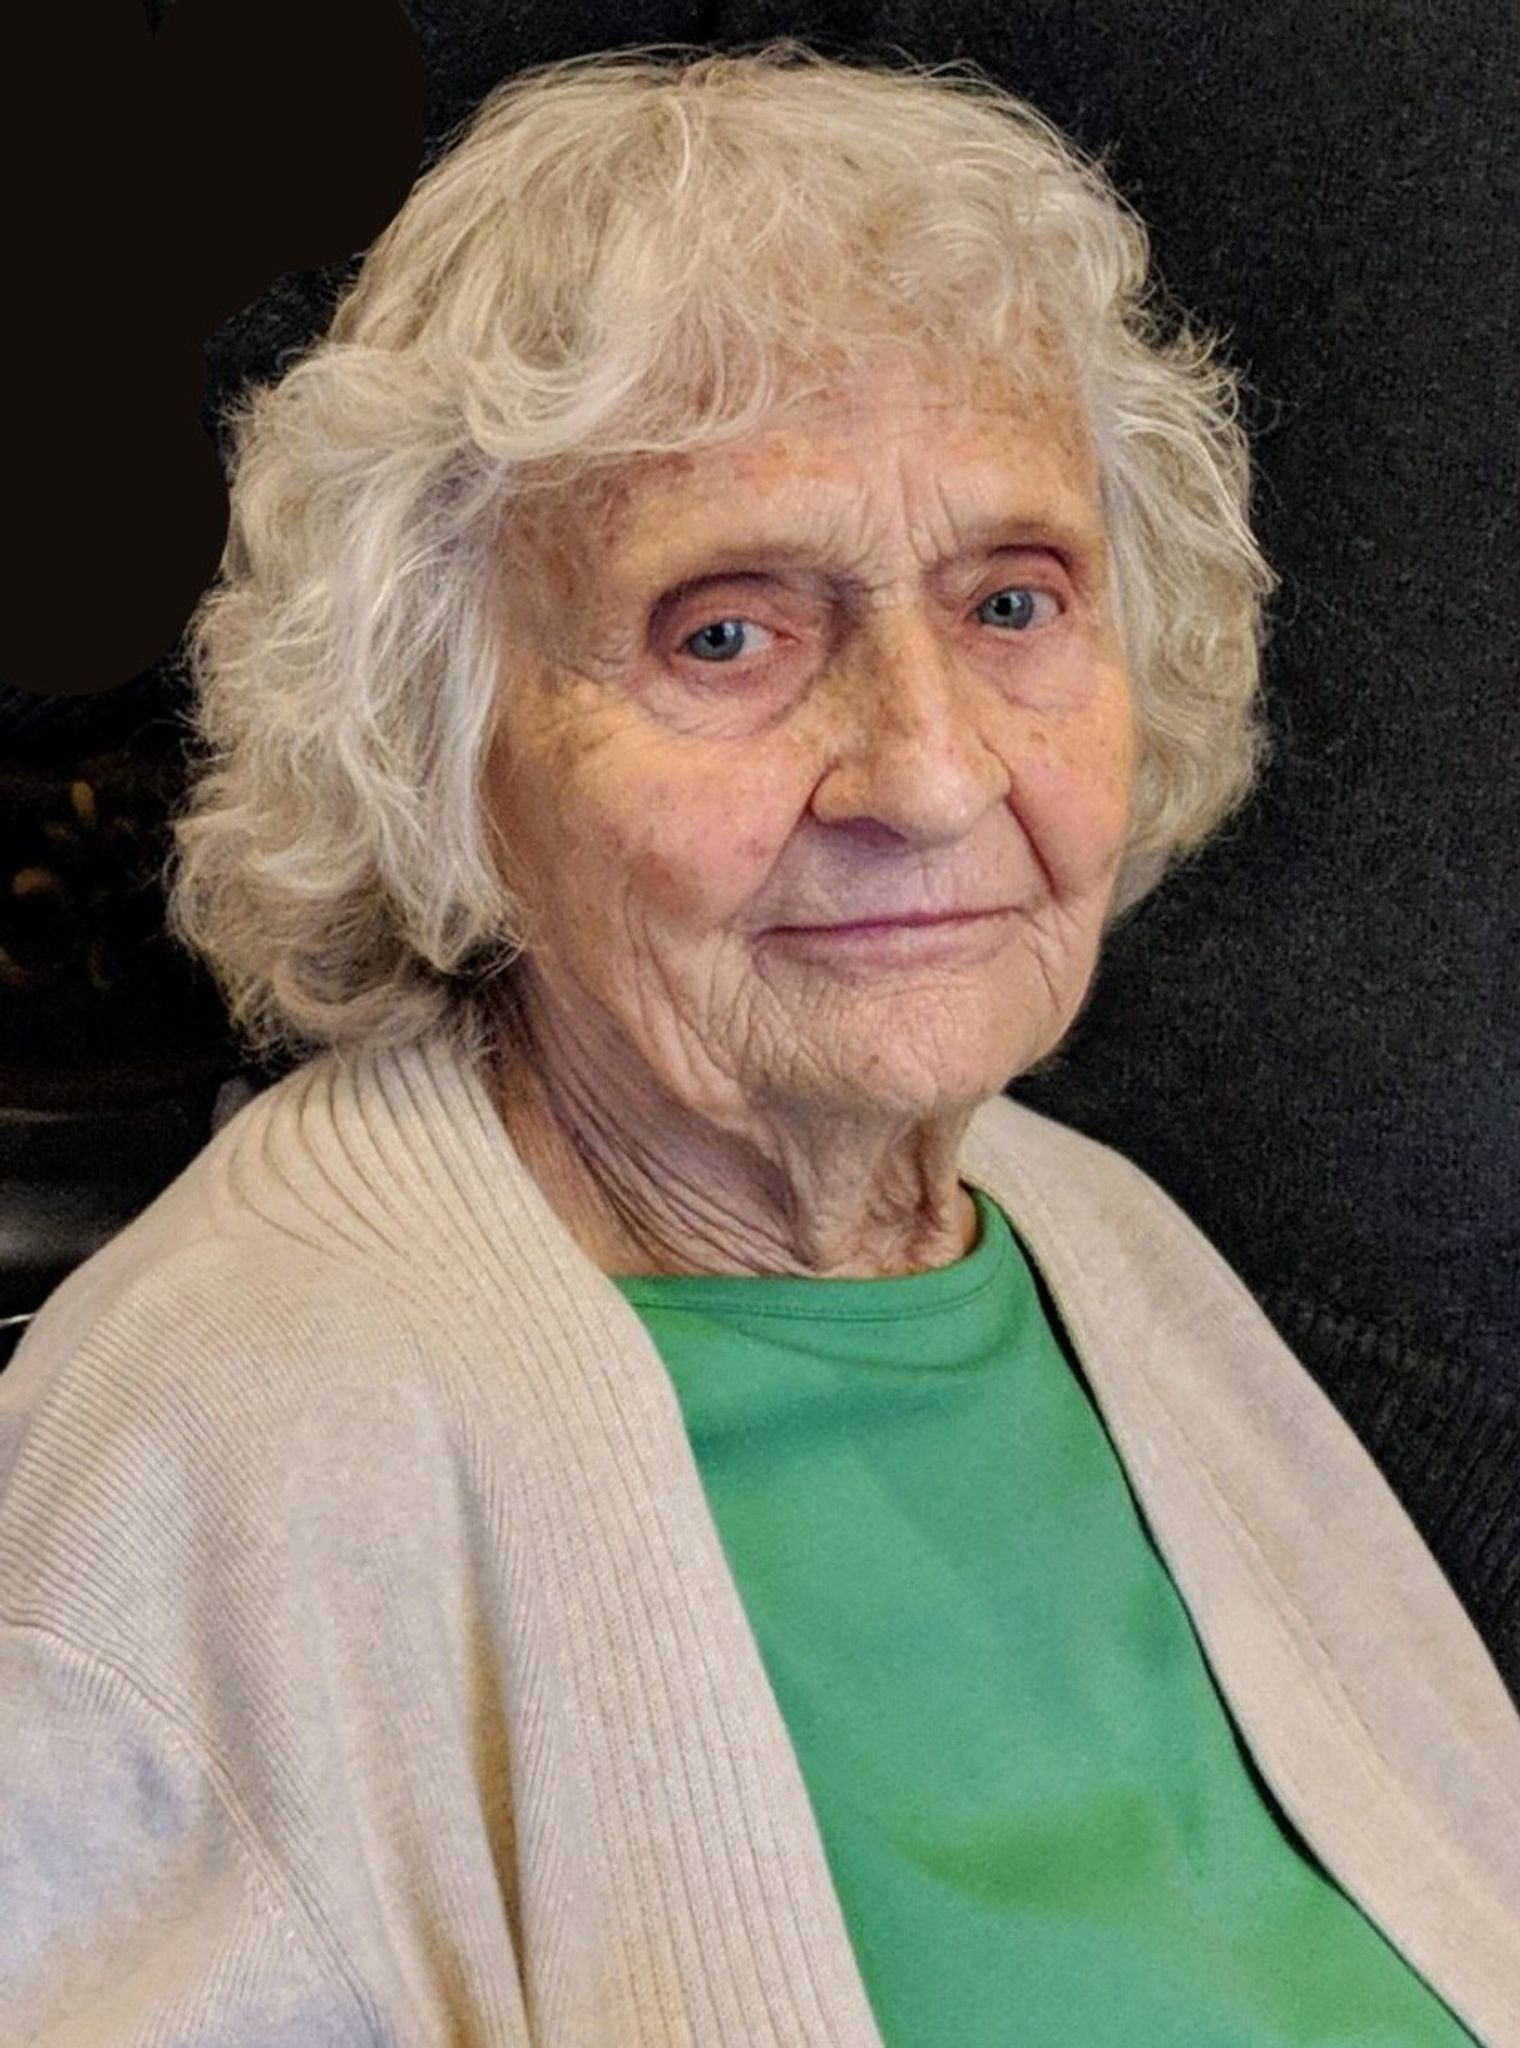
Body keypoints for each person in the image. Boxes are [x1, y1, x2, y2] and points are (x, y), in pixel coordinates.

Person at [2, 39, 1516, 2048]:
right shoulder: (221, 1453)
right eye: (725, 632)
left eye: (1013, 604)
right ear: (435, 733)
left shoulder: (1095, 1238)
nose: (929, 771)